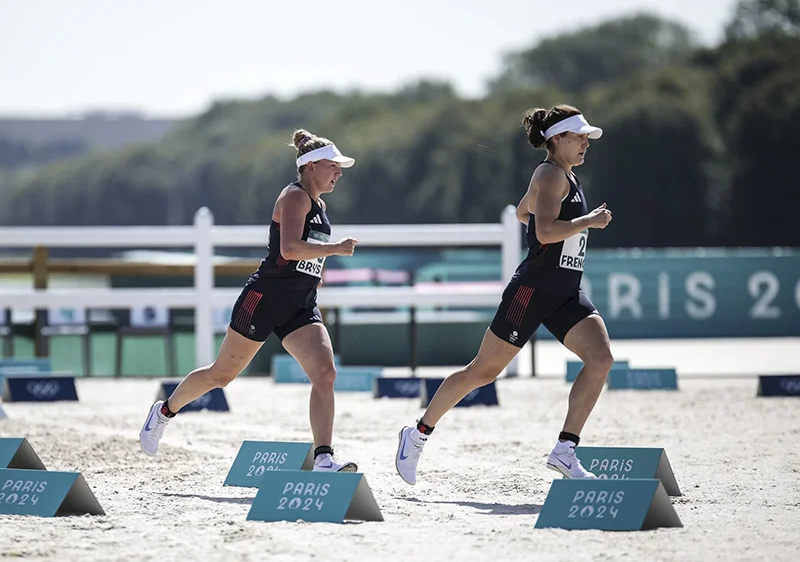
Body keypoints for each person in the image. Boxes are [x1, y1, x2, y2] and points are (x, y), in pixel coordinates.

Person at [395, 104, 614, 484]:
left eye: (586, 137)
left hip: (565, 290)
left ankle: (565, 450)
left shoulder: (565, 176)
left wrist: (568, 224)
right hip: (533, 290)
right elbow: (544, 232)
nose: (585, 143)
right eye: (579, 137)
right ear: (556, 139)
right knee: (482, 372)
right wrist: (588, 221)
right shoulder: (549, 173)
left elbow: (523, 214)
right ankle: (416, 435)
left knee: (601, 359)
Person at [139, 128, 361, 473]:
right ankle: (164, 411)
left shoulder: (320, 205)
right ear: (312, 166)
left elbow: (307, 257)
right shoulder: (295, 197)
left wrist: (319, 273)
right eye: (333, 166)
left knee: (326, 374)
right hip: (265, 299)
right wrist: (334, 249)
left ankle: (324, 458)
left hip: (300, 304)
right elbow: (288, 249)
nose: (339, 172)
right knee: (221, 375)